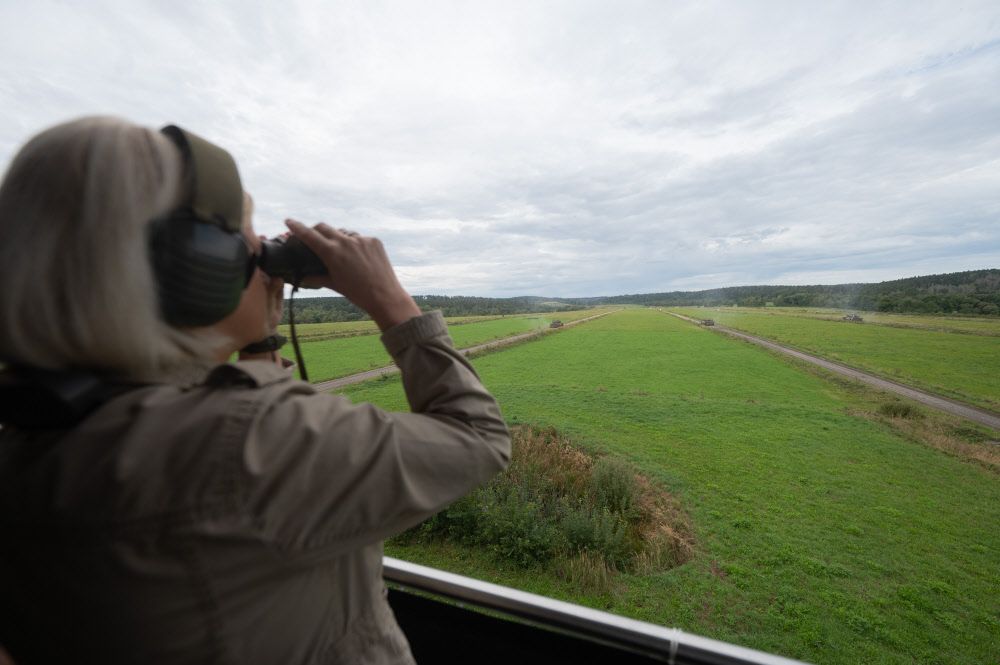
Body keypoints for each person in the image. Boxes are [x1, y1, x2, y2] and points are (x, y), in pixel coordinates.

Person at [0, 117, 511, 664]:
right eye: (250, 245)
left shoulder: (33, 433)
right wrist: (389, 298)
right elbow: (477, 436)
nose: (264, 261)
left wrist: (258, 333)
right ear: (199, 269)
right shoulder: (246, 446)